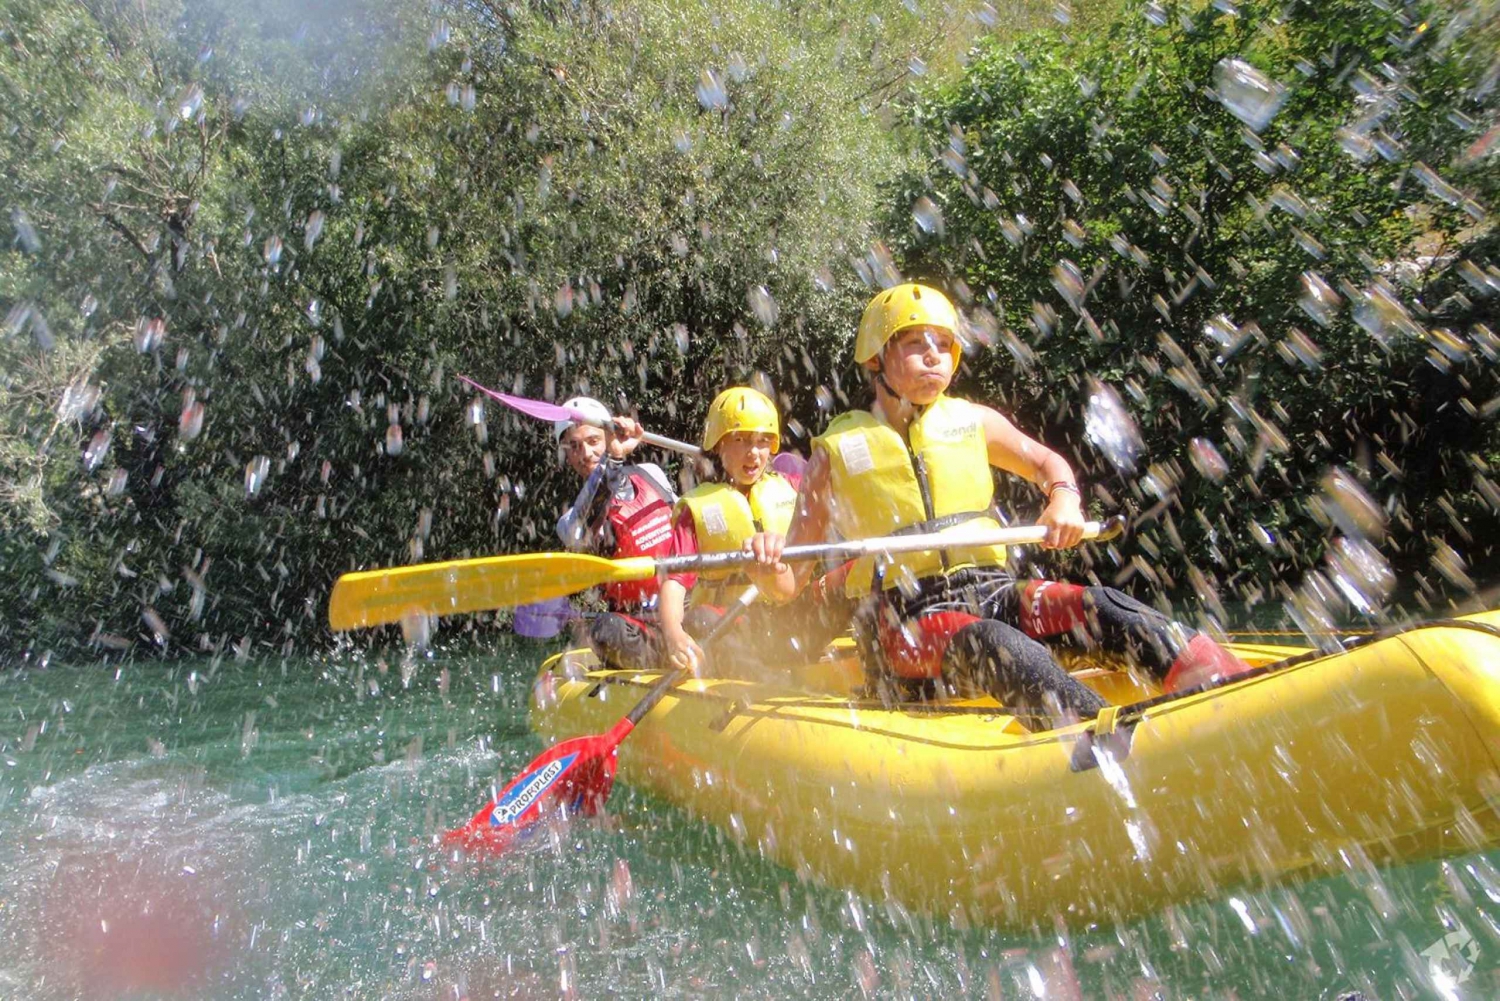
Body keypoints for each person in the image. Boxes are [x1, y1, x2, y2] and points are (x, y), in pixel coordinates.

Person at [747, 283, 1249, 722]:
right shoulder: (833, 453)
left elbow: (1048, 464)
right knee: (996, 644)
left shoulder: (975, 421)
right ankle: (1104, 739)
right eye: (915, 343)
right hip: (904, 621)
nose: (933, 355)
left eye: (943, 344)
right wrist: (767, 566)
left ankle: (1234, 689)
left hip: (992, 591)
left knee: (1099, 607)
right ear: (876, 358)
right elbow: (790, 581)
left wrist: (1064, 501)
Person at [656, 387, 851, 676]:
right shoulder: (695, 509)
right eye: (740, 440)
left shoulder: (790, 485)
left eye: (762, 441)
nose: (753, 453)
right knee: (700, 620)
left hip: (790, 619)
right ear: (718, 444)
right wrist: (674, 633)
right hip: (735, 624)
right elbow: (674, 581)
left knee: (858, 574)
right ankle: (765, 678)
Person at [553, 397, 677, 669]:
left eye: (593, 441)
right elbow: (590, 511)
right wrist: (613, 458)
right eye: (574, 446)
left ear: (609, 438)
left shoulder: (651, 473)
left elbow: (689, 524)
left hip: (681, 606)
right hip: (637, 626)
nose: (585, 453)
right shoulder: (569, 522)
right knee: (605, 629)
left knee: (707, 615)